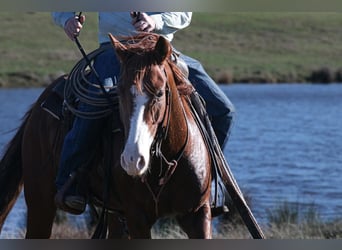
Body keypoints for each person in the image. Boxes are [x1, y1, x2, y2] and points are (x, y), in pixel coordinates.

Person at [51, 12, 235, 214]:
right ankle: (69, 183)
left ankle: (210, 184)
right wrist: (67, 18)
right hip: (115, 51)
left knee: (223, 110)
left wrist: (156, 21)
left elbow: (184, 12)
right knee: (92, 108)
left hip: (159, 49)